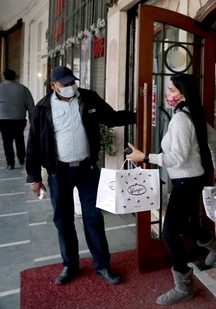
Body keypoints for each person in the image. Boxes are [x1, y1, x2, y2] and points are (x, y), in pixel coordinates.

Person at [25, 66, 136, 285]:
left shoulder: (88, 98)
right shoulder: (43, 107)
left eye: (72, 83)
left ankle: (102, 265)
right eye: (64, 84)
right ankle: (70, 265)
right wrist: (34, 177)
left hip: (87, 169)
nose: (70, 87)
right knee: (63, 219)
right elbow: (34, 144)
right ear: (53, 85)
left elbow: (111, 118)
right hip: (59, 172)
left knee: (94, 218)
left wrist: (140, 115)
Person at [125, 74, 216, 305]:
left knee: (169, 232)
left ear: (182, 92)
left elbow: (177, 158)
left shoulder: (182, 118)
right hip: (191, 180)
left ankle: (184, 286)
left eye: (171, 90)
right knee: (180, 224)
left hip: (186, 180)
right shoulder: (192, 113)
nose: (167, 94)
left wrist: (146, 157)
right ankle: (215, 245)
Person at [0, 69, 35, 169]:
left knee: (7, 141)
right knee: (19, 138)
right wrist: (31, 118)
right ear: (15, 76)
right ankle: (21, 158)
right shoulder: (23, 89)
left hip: (3, 120)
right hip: (19, 119)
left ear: (4, 76)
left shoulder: (0, 88)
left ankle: (10, 163)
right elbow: (30, 105)